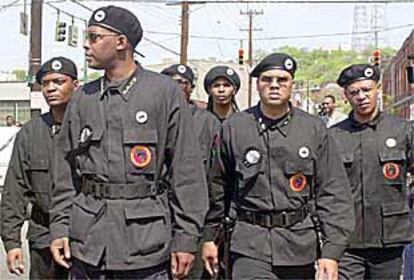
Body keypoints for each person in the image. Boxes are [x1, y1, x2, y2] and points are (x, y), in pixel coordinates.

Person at [49, 6, 208, 280]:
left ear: (121, 42)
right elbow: (65, 172)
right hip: (89, 242)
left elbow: (187, 171)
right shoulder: (83, 98)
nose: (86, 45)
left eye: (95, 37)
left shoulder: (163, 92)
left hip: (144, 243)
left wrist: (186, 238)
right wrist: (60, 227)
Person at [206, 53, 355, 280]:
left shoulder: (313, 129)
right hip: (249, 244)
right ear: (258, 84)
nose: (274, 85)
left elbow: (333, 192)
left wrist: (331, 252)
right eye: (267, 79)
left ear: (292, 84)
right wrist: (210, 237)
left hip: (299, 245)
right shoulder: (234, 128)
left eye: (282, 80)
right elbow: (217, 187)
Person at [331, 64, 413, 280]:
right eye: (354, 92)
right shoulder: (334, 136)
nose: (361, 97)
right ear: (346, 96)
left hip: (389, 239)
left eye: (366, 90)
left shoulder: (402, 130)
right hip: (347, 240)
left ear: (378, 89)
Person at [0, 56, 78, 279]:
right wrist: (12, 241)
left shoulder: (90, 127)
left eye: (59, 81)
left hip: (84, 239)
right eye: (45, 83)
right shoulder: (31, 132)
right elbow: (14, 190)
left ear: (75, 85)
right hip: (43, 236)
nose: (51, 88)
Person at [161, 63, 220, 279]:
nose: (177, 87)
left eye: (183, 83)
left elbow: (215, 179)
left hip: (194, 220)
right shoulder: (152, 116)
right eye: (172, 82)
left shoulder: (207, 122)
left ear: (191, 88)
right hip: (155, 221)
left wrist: (209, 233)